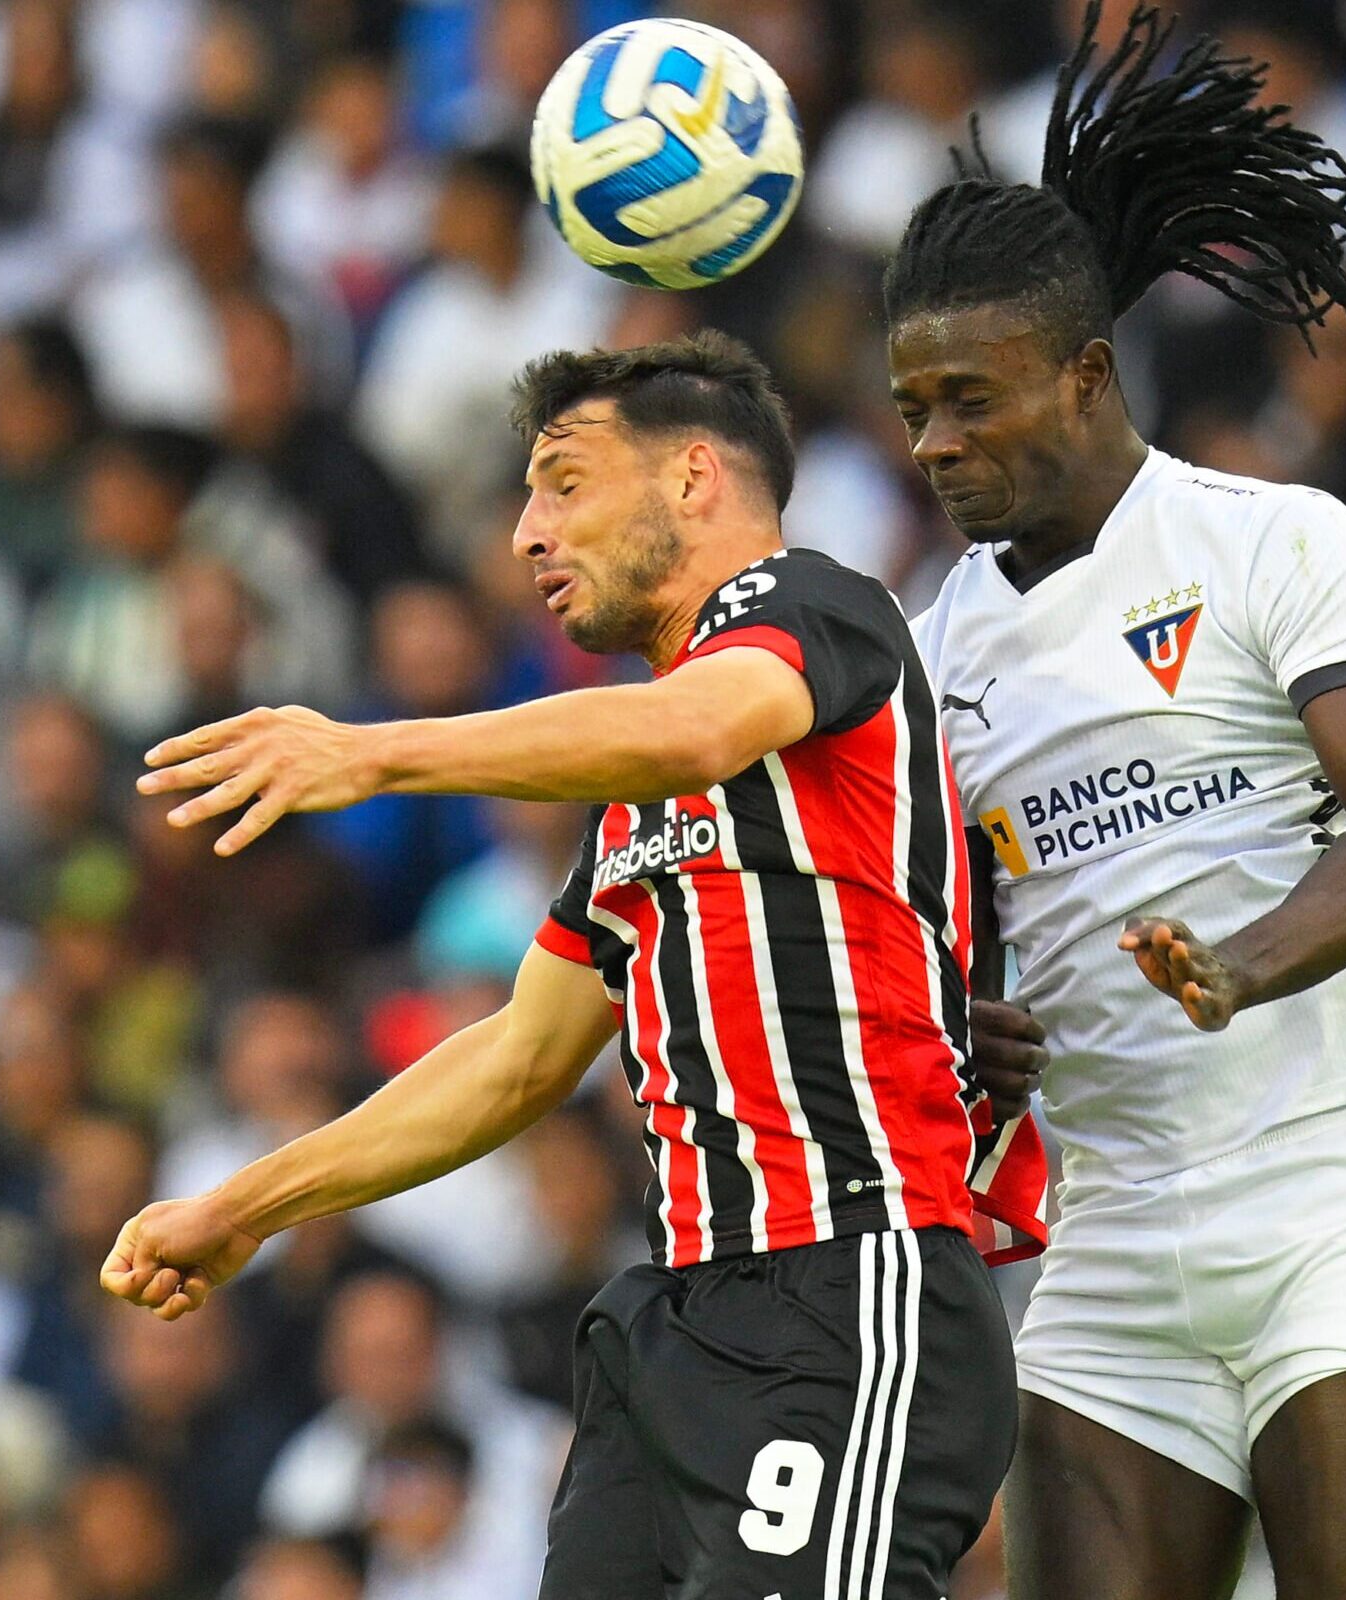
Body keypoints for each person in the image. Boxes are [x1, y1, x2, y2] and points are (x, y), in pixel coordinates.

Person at [98, 331, 1039, 1599]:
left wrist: (377, 751)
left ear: (695, 476)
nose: (527, 533)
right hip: (678, 1321)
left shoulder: (812, 608)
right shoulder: (628, 805)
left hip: (849, 1285)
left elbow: (702, 724)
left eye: (566, 483)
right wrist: (243, 1207)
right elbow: (515, 1057)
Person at [886, 5, 1346, 1597]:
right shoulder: (930, 659)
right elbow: (940, 948)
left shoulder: (1270, 543)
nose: (936, 442)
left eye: (970, 399)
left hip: (1327, 1183)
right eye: (913, 407)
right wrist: (966, 1018)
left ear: (1084, 375)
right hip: (1111, 1238)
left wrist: (1245, 963)